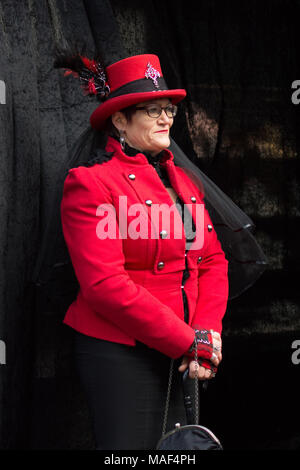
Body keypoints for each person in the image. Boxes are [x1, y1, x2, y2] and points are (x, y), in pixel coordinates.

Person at [56, 53, 234, 450]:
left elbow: (210, 261)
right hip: (121, 354)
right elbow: (104, 284)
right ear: (119, 119)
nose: (166, 118)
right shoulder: (90, 184)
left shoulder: (184, 181)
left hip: (183, 350)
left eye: (168, 109)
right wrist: (188, 341)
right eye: (151, 110)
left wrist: (205, 334)